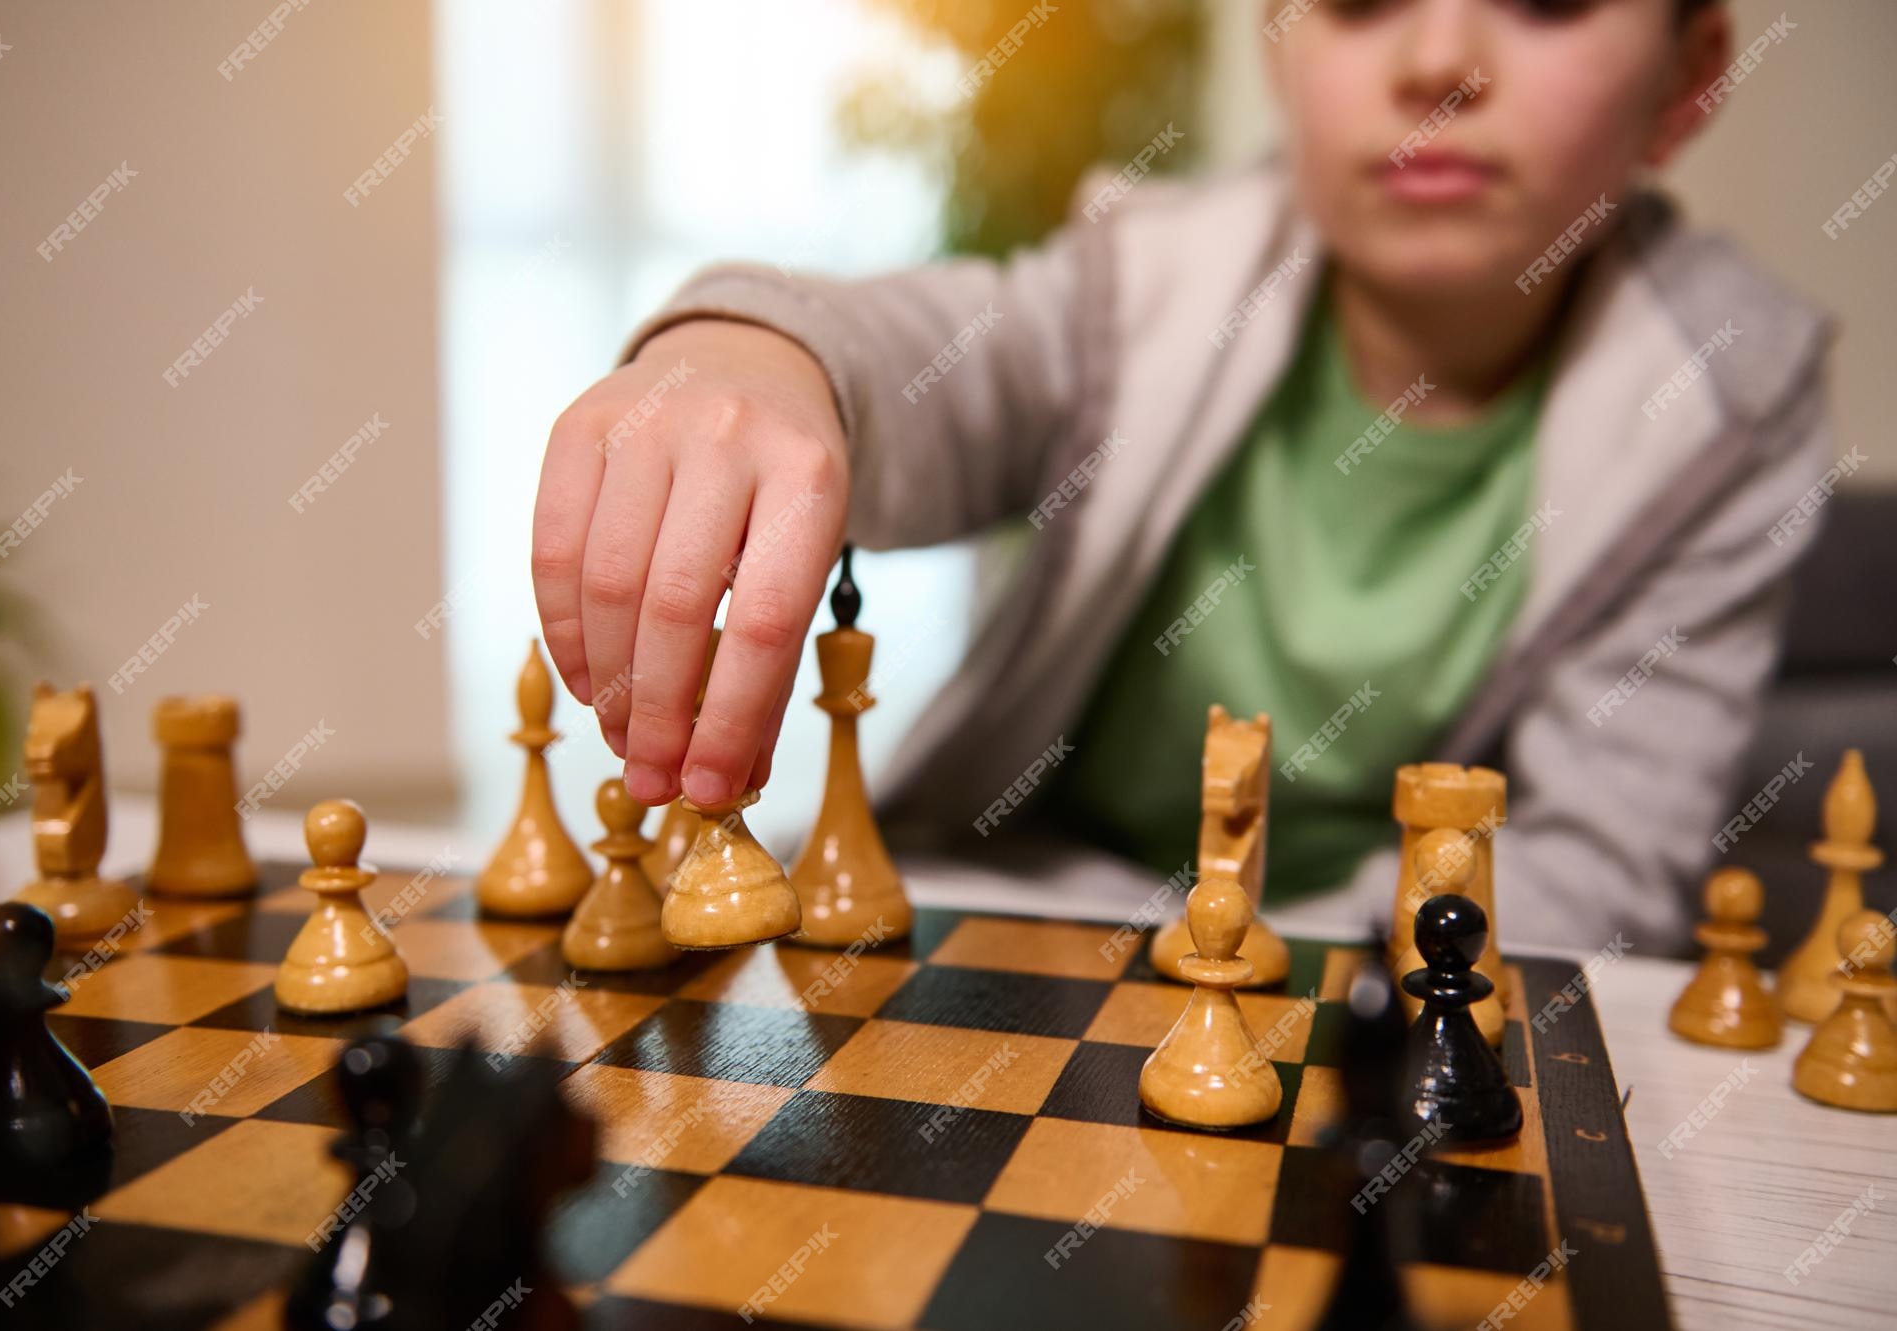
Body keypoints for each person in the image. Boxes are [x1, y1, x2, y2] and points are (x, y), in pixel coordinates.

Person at [531, 0, 1835, 952]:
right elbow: (939, 365)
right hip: (1015, 933)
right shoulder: (1151, 282)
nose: (1439, 62)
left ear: (1689, 76)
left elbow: (1595, 876)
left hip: (1356, 995)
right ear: (1278, 48)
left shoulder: (1731, 401)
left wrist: (1237, 970)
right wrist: (755, 345)